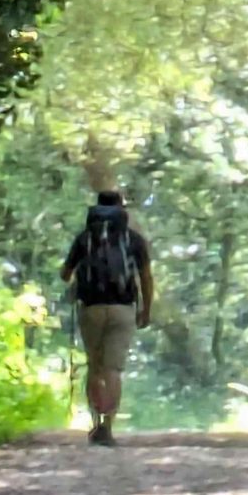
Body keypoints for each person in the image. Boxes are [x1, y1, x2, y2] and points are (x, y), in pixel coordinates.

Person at [61, 189, 153, 447]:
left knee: (95, 366)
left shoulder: (84, 239)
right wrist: (145, 309)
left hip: (91, 309)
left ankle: (94, 421)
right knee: (113, 369)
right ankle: (108, 426)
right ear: (122, 209)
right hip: (123, 309)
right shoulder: (133, 239)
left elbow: (64, 274)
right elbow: (146, 277)